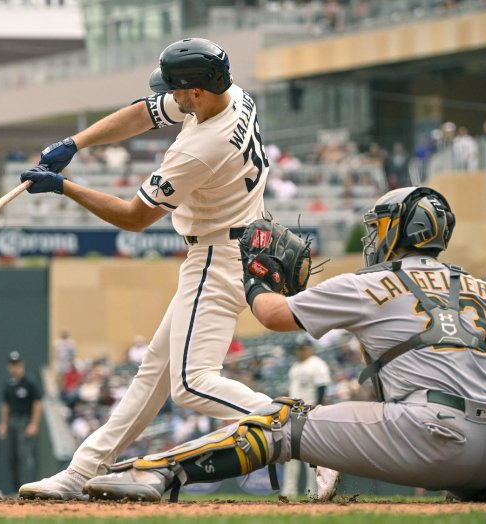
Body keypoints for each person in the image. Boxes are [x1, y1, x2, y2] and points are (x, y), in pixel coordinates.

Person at [82, 186, 486, 503]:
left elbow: (273, 316)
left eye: (380, 226)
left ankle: (156, 473)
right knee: (475, 460)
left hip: (430, 434)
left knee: (280, 422)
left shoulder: (369, 282)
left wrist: (254, 275)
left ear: (399, 230)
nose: (373, 236)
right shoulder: (483, 287)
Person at [18, 37, 338, 500]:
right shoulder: (231, 94)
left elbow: (135, 217)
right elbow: (142, 113)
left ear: (198, 91)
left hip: (217, 255)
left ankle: (313, 437)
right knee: (153, 375)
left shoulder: (203, 147)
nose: (170, 96)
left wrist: (65, 186)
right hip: (239, 244)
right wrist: (75, 142)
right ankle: (80, 472)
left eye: (176, 89)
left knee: (191, 383)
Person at [281, 334, 331, 498]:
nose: (300, 351)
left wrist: (316, 410)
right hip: (293, 413)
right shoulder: (295, 366)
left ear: (310, 348)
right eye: (298, 348)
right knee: (290, 456)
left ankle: (312, 491)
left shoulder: (317, 364)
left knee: (310, 456)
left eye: (303, 348)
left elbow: (322, 388)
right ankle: (289, 491)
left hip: (309, 412)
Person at [0, 351, 43, 494]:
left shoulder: (29, 382)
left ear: (21, 365)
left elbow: (37, 403)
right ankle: (15, 489)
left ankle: (27, 488)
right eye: (12, 365)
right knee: (13, 457)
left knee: (25, 456)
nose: (14, 368)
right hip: (12, 421)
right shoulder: (8, 384)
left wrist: (34, 424)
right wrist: (3, 424)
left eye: (17, 364)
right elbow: (5, 405)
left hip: (25, 421)